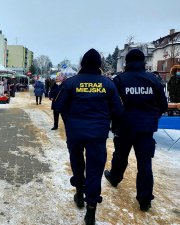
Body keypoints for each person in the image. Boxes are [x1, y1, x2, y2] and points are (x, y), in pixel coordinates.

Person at [55, 49, 123, 225]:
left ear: (82, 64)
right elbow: (118, 110)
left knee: (77, 163)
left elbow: (58, 104)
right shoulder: (107, 83)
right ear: (99, 65)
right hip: (98, 134)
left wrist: (70, 119)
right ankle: (91, 210)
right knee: (95, 170)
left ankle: (79, 192)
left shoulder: (71, 83)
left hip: (75, 132)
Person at [104, 49, 168, 212]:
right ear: (143, 62)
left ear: (127, 62)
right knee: (145, 164)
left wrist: (114, 122)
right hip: (146, 129)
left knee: (120, 156)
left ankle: (115, 178)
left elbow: (112, 105)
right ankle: (145, 200)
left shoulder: (120, 80)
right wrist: (152, 118)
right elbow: (163, 105)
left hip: (125, 127)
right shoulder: (153, 80)